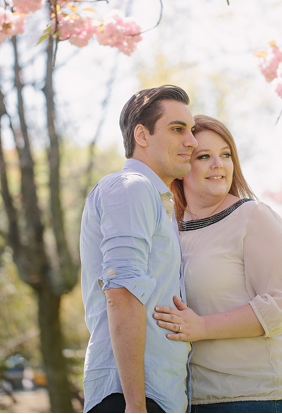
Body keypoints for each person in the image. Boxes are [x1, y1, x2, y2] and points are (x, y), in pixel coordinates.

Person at [152, 115, 282, 413]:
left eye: (225, 155)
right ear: (182, 166)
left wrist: (203, 326)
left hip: (257, 396)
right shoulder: (170, 231)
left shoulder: (253, 216)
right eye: (204, 156)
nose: (218, 164)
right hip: (190, 399)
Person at [80, 85, 197, 412]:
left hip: (157, 396)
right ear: (142, 135)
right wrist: (135, 405)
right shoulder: (131, 188)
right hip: (130, 398)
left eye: (191, 130)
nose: (192, 141)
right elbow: (122, 292)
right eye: (177, 129)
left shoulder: (157, 199)